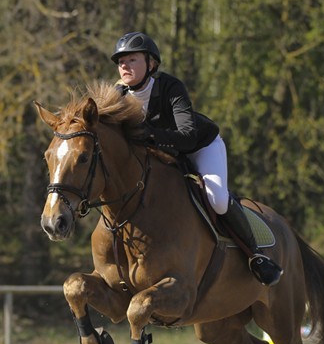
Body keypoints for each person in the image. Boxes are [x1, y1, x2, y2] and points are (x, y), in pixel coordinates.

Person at [111, 31, 283, 286]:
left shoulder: (170, 87)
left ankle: (256, 255)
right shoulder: (118, 95)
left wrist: (150, 135)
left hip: (200, 147)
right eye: (121, 61)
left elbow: (188, 136)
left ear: (151, 63)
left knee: (218, 198)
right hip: (161, 156)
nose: (124, 65)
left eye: (132, 60)